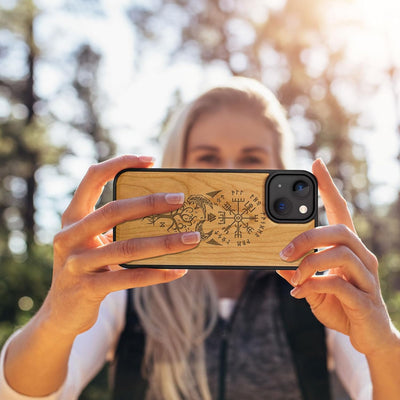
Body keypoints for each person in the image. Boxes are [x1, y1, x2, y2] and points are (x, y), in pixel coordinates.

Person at [1, 77, 400, 400]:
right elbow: (28, 395)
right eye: (208, 159)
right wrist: (57, 317)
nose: (228, 177)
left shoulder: (318, 286)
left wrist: (383, 345)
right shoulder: (127, 283)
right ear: (176, 168)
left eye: (251, 160)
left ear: (279, 169)